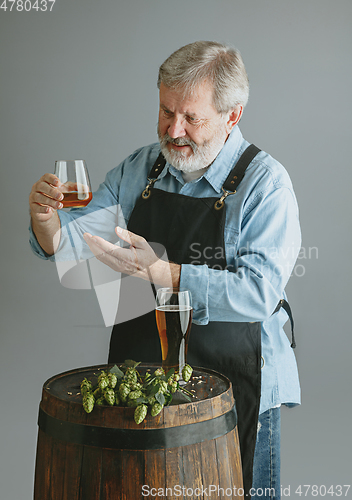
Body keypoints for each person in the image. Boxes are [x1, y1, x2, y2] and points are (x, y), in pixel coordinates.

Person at [29, 41, 301, 499]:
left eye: (191, 117)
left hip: (240, 384)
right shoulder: (141, 169)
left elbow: (259, 292)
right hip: (146, 384)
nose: (174, 130)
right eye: (165, 110)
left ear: (232, 115)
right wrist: (47, 223)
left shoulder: (266, 185)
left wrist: (166, 274)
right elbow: (76, 244)